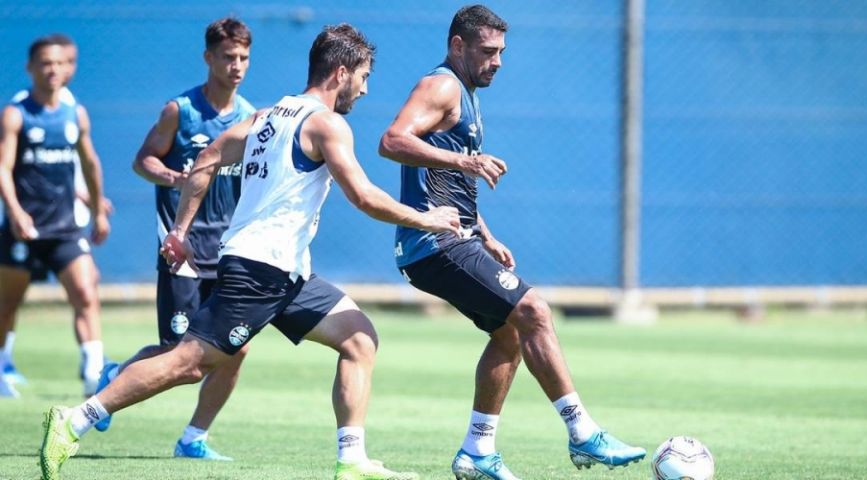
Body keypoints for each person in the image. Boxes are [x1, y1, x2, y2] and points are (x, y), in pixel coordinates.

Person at [40, 23, 460, 480]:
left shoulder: (267, 115)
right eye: (364, 76)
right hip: (261, 269)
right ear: (341, 73)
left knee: (359, 339)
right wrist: (428, 218)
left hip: (287, 273)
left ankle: (352, 459)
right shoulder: (326, 124)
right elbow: (362, 196)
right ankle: (74, 419)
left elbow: (206, 159)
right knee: (188, 362)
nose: (365, 88)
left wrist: (180, 231)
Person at [378, 5, 646, 478]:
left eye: (501, 51)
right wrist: (465, 164)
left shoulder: (465, 93)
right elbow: (392, 140)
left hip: (455, 239)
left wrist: (485, 232)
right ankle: (583, 433)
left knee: (510, 334)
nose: (497, 61)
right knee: (534, 311)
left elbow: (442, 178)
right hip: (434, 245)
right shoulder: (440, 86)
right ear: (457, 46)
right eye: (487, 51)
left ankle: (477, 453)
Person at [87, 17, 256, 461]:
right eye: (227, 57)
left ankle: (193, 438)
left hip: (229, 253)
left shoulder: (249, 118)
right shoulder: (179, 111)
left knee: (236, 349)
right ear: (208, 58)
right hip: (182, 249)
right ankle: (115, 377)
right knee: (176, 351)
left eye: (243, 57)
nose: (236, 66)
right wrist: (172, 176)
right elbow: (142, 160)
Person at [0, 35, 111, 399]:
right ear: (31, 68)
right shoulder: (17, 113)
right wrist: (15, 213)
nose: (53, 69)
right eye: (45, 63)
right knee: (7, 304)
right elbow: (4, 166)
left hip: (66, 228)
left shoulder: (74, 113)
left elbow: (89, 163)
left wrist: (97, 211)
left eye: (60, 63)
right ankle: (2, 364)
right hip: (26, 230)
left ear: (68, 68)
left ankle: (94, 372)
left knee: (85, 292)